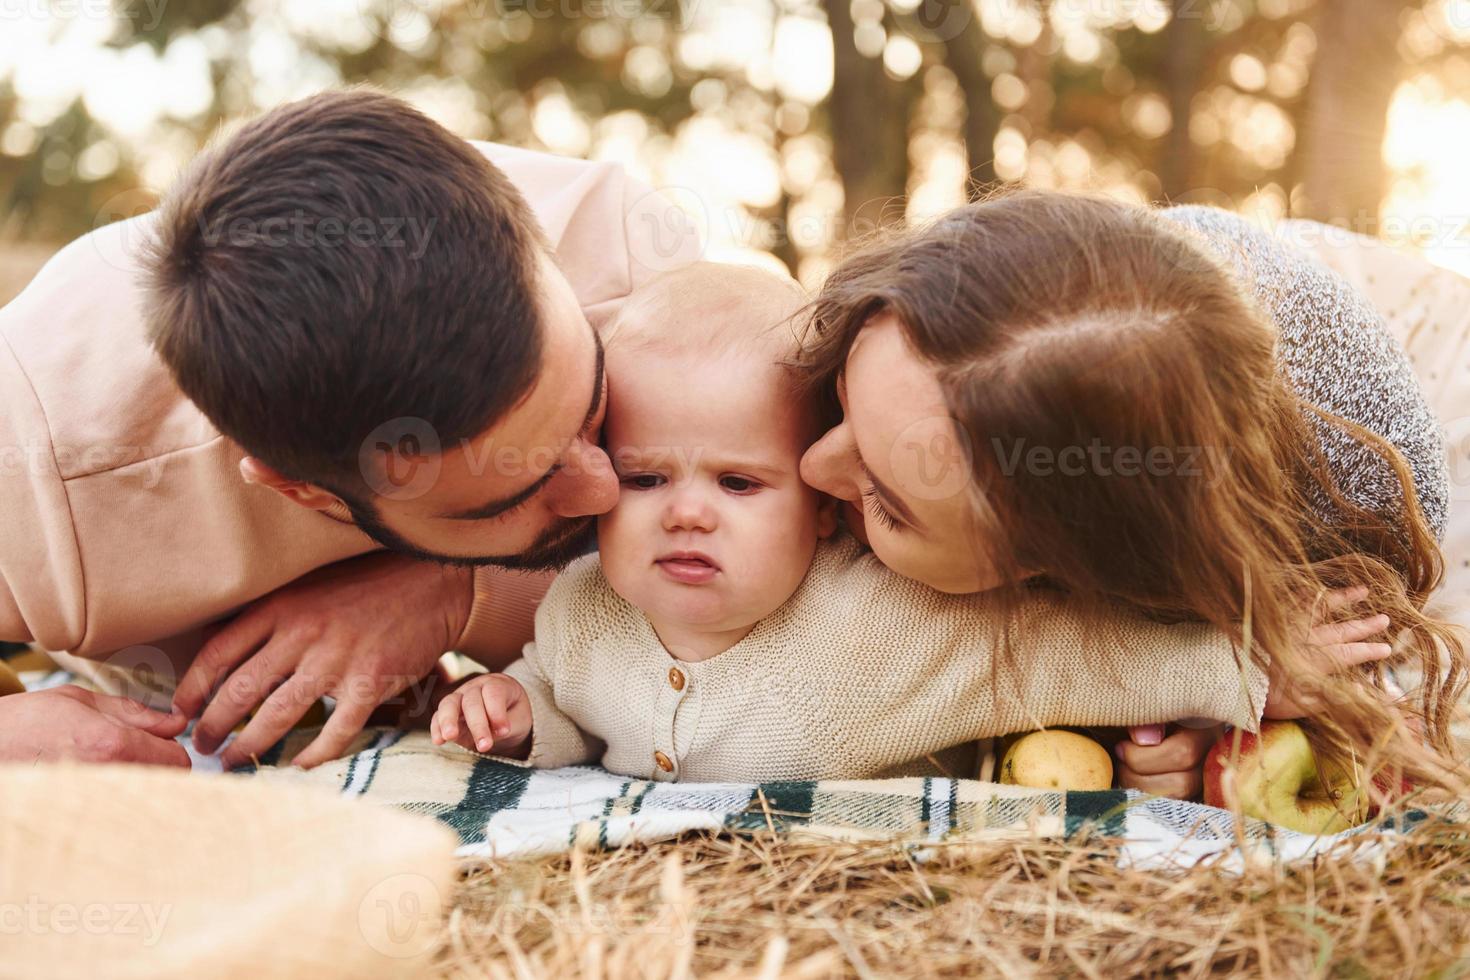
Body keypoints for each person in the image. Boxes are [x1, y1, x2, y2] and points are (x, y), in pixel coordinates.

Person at [428, 263, 1389, 783]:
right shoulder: (579, 609)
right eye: (645, 478)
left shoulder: (877, 623)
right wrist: (522, 720)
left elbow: (1066, 649)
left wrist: (1251, 669)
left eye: (739, 484)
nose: (686, 511)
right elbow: (561, 693)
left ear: (829, 517)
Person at [0, 88, 700, 768]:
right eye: (515, 493)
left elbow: (788, 536)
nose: (605, 492)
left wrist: (457, 592)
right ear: (308, 494)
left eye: (594, 409)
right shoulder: (32, 467)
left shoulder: (635, 268)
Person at [797, 191, 1465, 797]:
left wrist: (1218, 733)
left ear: (1058, 564)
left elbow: (1373, 731)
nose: (810, 468)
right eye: (840, 405)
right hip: (1197, 271)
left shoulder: (1352, 529)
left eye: (886, 502)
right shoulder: (986, 349)